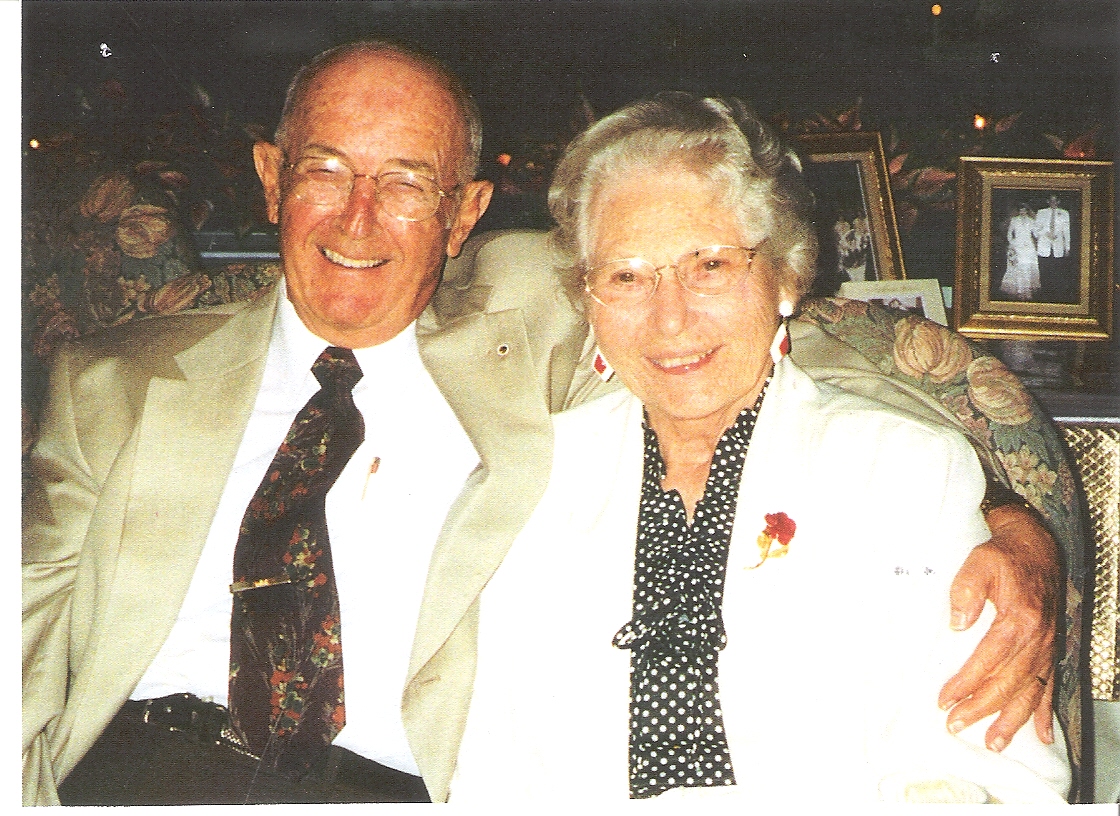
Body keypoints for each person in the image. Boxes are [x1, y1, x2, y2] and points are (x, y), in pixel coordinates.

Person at [22, 41, 1064, 806]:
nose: (357, 217)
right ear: (270, 179)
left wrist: (1012, 526)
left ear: (466, 213)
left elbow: (790, 352)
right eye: (325, 170)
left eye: (406, 182)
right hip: (139, 774)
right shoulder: (112, 382)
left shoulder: (525, 345)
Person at [451, 93, 1071, 804]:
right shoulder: (540, 474)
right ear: (588, 297)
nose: (670, 317)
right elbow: (490, 772)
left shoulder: (903, 471)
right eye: (626, 276)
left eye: (710, 266)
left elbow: (995, 773)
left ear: (784, 277)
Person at [1034, 193, 1073, 302]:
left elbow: (1066, 232)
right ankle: (1045, 296)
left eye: (1055, 201)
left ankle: (1056, 297)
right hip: (1044, 247)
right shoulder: (1041, 212)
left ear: (1059, 202)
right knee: (1044, 271)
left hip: (1058, 247)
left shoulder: (1064, 213)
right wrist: (1046, 233)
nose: (1053, 203)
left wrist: (1067, 248)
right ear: (1048, 201)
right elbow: (1035, 230)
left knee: (1057, 272)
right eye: (1051, 200)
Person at [1000, 204, 1041, 300]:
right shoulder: (1014, 220)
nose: (1023, 212)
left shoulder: (1031, 221)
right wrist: (1012, 244)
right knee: (1019, 268)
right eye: (1021, 210)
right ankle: (1020, 290)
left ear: (1027, 211)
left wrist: (1040, 228)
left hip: (1028, 247)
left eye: (1024, 210)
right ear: (1019, 211)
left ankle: (1027, 291)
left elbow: (1036, 234)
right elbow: (1009, 234)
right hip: (1018, 246)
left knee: (1028, 267)